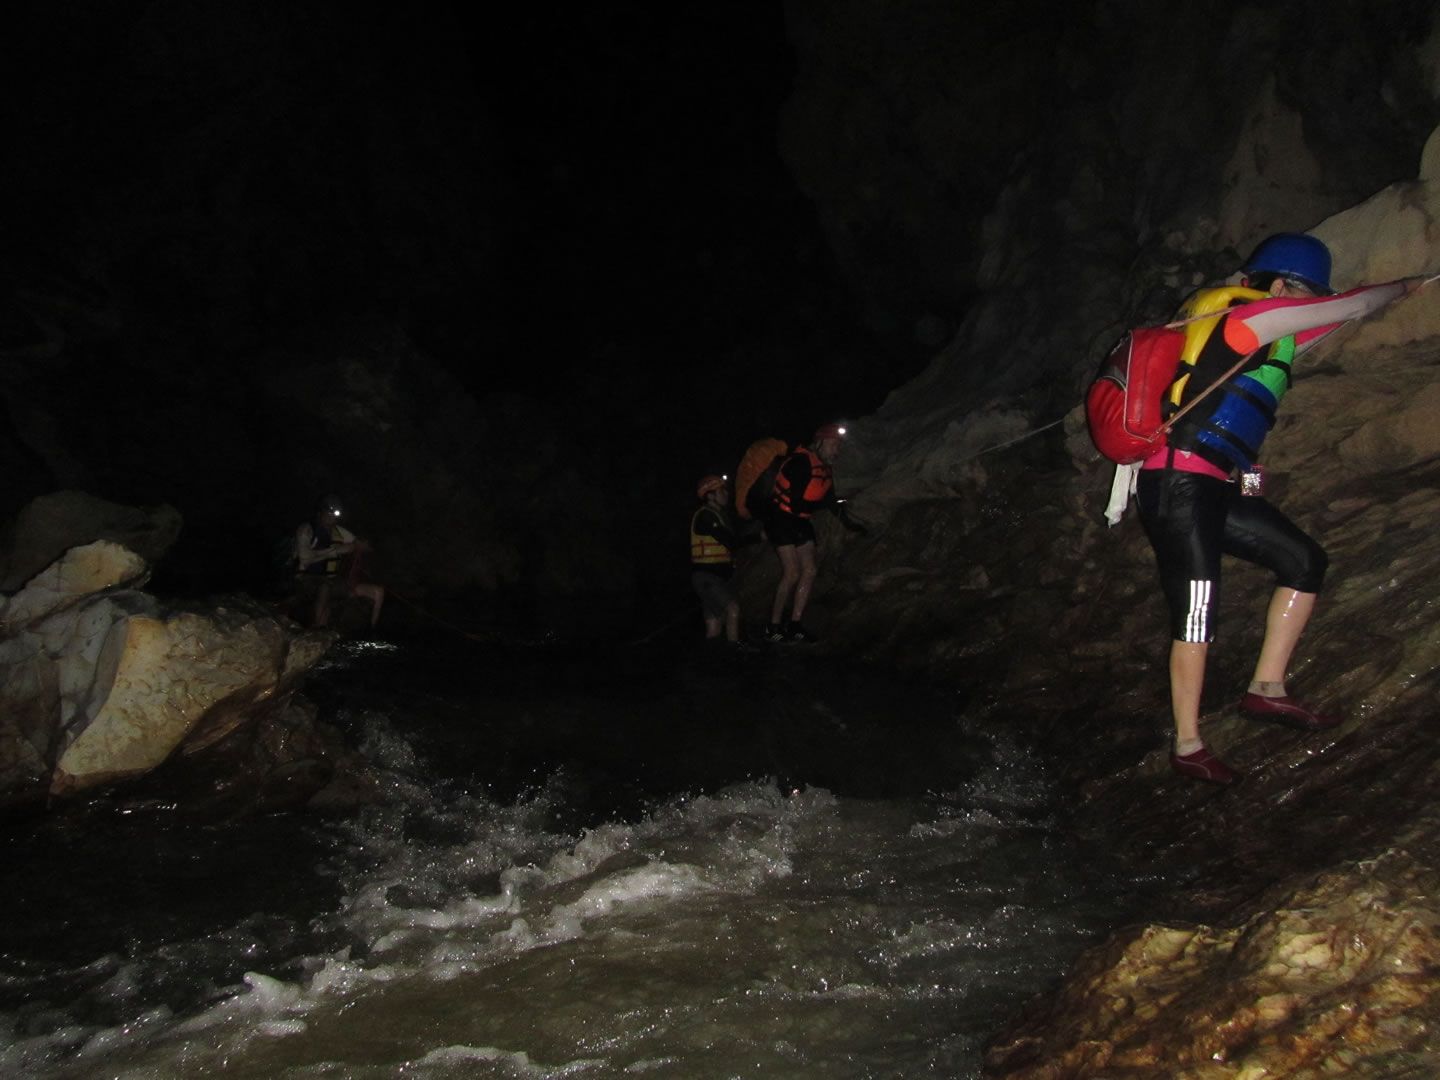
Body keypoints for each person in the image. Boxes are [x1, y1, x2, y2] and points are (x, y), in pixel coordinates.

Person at [1136, 233, 1425, 784]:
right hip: (1176, 481)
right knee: (1198, 610)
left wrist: (1250, 487)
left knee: (1304, 560)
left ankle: (1266, 689)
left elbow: (1328, 325)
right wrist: (1406, 285)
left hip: (1217, 482)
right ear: (1271, 286)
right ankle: (1189, 745)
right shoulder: (1247, 320)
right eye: (1301, 289)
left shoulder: (1275, 335)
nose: (1306, 300)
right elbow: (1354, 306)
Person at [756, 423, 846, 643]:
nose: (837, 450)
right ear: (820, 443)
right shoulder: (800, 462)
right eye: (833, 444)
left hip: (800, 520)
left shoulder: (825, 469)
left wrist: (852, 523)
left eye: (838, 446)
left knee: (810, 570)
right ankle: (773, 627)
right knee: (792, 573)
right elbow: (796, 502)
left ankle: (795, 625)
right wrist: (823, 505)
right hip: (780, 519)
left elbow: (830, 501)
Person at [294, 494, 385, 630]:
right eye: (328, 512)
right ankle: (319, 630)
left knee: (378, 591)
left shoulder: (339, 532)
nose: (332, 517)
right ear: (320, 512)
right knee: (325, 587)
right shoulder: (306, 529)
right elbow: (305, 559)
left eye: (335, 514)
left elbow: (359, 543)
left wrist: (363, 545)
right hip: (304, 579)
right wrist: (336, 550)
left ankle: (372, 631)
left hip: (332, 581)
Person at [690, 474, 743, 644]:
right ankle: (734, 652)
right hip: (708, 578)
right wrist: (758, 537)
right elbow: (730, 541)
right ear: (710, 496)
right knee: (733, 609)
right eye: (722, 491)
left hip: (716, 577)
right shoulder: (705, 517)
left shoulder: (718, 515)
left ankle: (712, 657)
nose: (726, 494)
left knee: (714, 626)